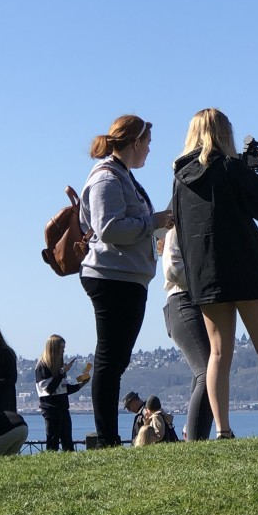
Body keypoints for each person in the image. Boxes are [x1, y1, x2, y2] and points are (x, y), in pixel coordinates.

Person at [173, 108, 258, 438]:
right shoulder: (231, 168)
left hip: (206, 275)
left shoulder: (180, 179)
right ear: (223, 133)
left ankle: (223, 430)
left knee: (218, 353)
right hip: (245, 269)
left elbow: (180, 228)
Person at [79, 115, 173, 447]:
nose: (150, 148)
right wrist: (153, 221)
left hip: (126, 278)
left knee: (115, 359)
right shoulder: (107, 178)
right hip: (110, 277)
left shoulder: (123, 176)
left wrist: (155, 232)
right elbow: (109, 229)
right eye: (147, 142)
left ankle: (108, 436)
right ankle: (107, 438)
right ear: (135, 142)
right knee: (110, 358)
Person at [162, 227, 214, 441]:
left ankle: (197, 438)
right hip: (183, 302)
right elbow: (173, 271)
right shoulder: (176, 231)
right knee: (207, 372)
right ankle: (195, 441)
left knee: (206, 371)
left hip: (202, 304)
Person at [35, 335, 91, 451]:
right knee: (53, 442)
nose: (63, 352)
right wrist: (62, 373)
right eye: (61, 348)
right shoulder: (42, 367)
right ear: (53, 349)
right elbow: (49, 389)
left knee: (67, 441)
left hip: (63, 407)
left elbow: (63, 389)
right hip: (50, 409)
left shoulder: (59, 366)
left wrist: (81, 384)